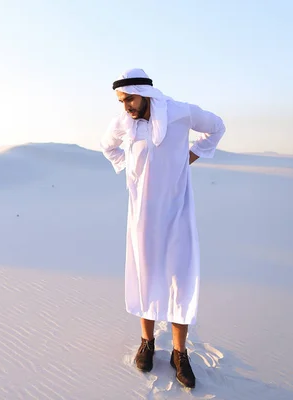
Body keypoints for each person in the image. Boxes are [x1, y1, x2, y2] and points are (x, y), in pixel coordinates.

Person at [100, 68, 226, 389]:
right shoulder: (123, 124)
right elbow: (108, 147)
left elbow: (216, 127)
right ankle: (147, 342)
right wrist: (132, 169)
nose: (125, 105)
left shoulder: (180, 112)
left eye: (129, 98)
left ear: (145, 92)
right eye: (121, 100)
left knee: (180, 277)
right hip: (142, 215)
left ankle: (179, 353)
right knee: (145, 274)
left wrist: (190, 157)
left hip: (177, 210)